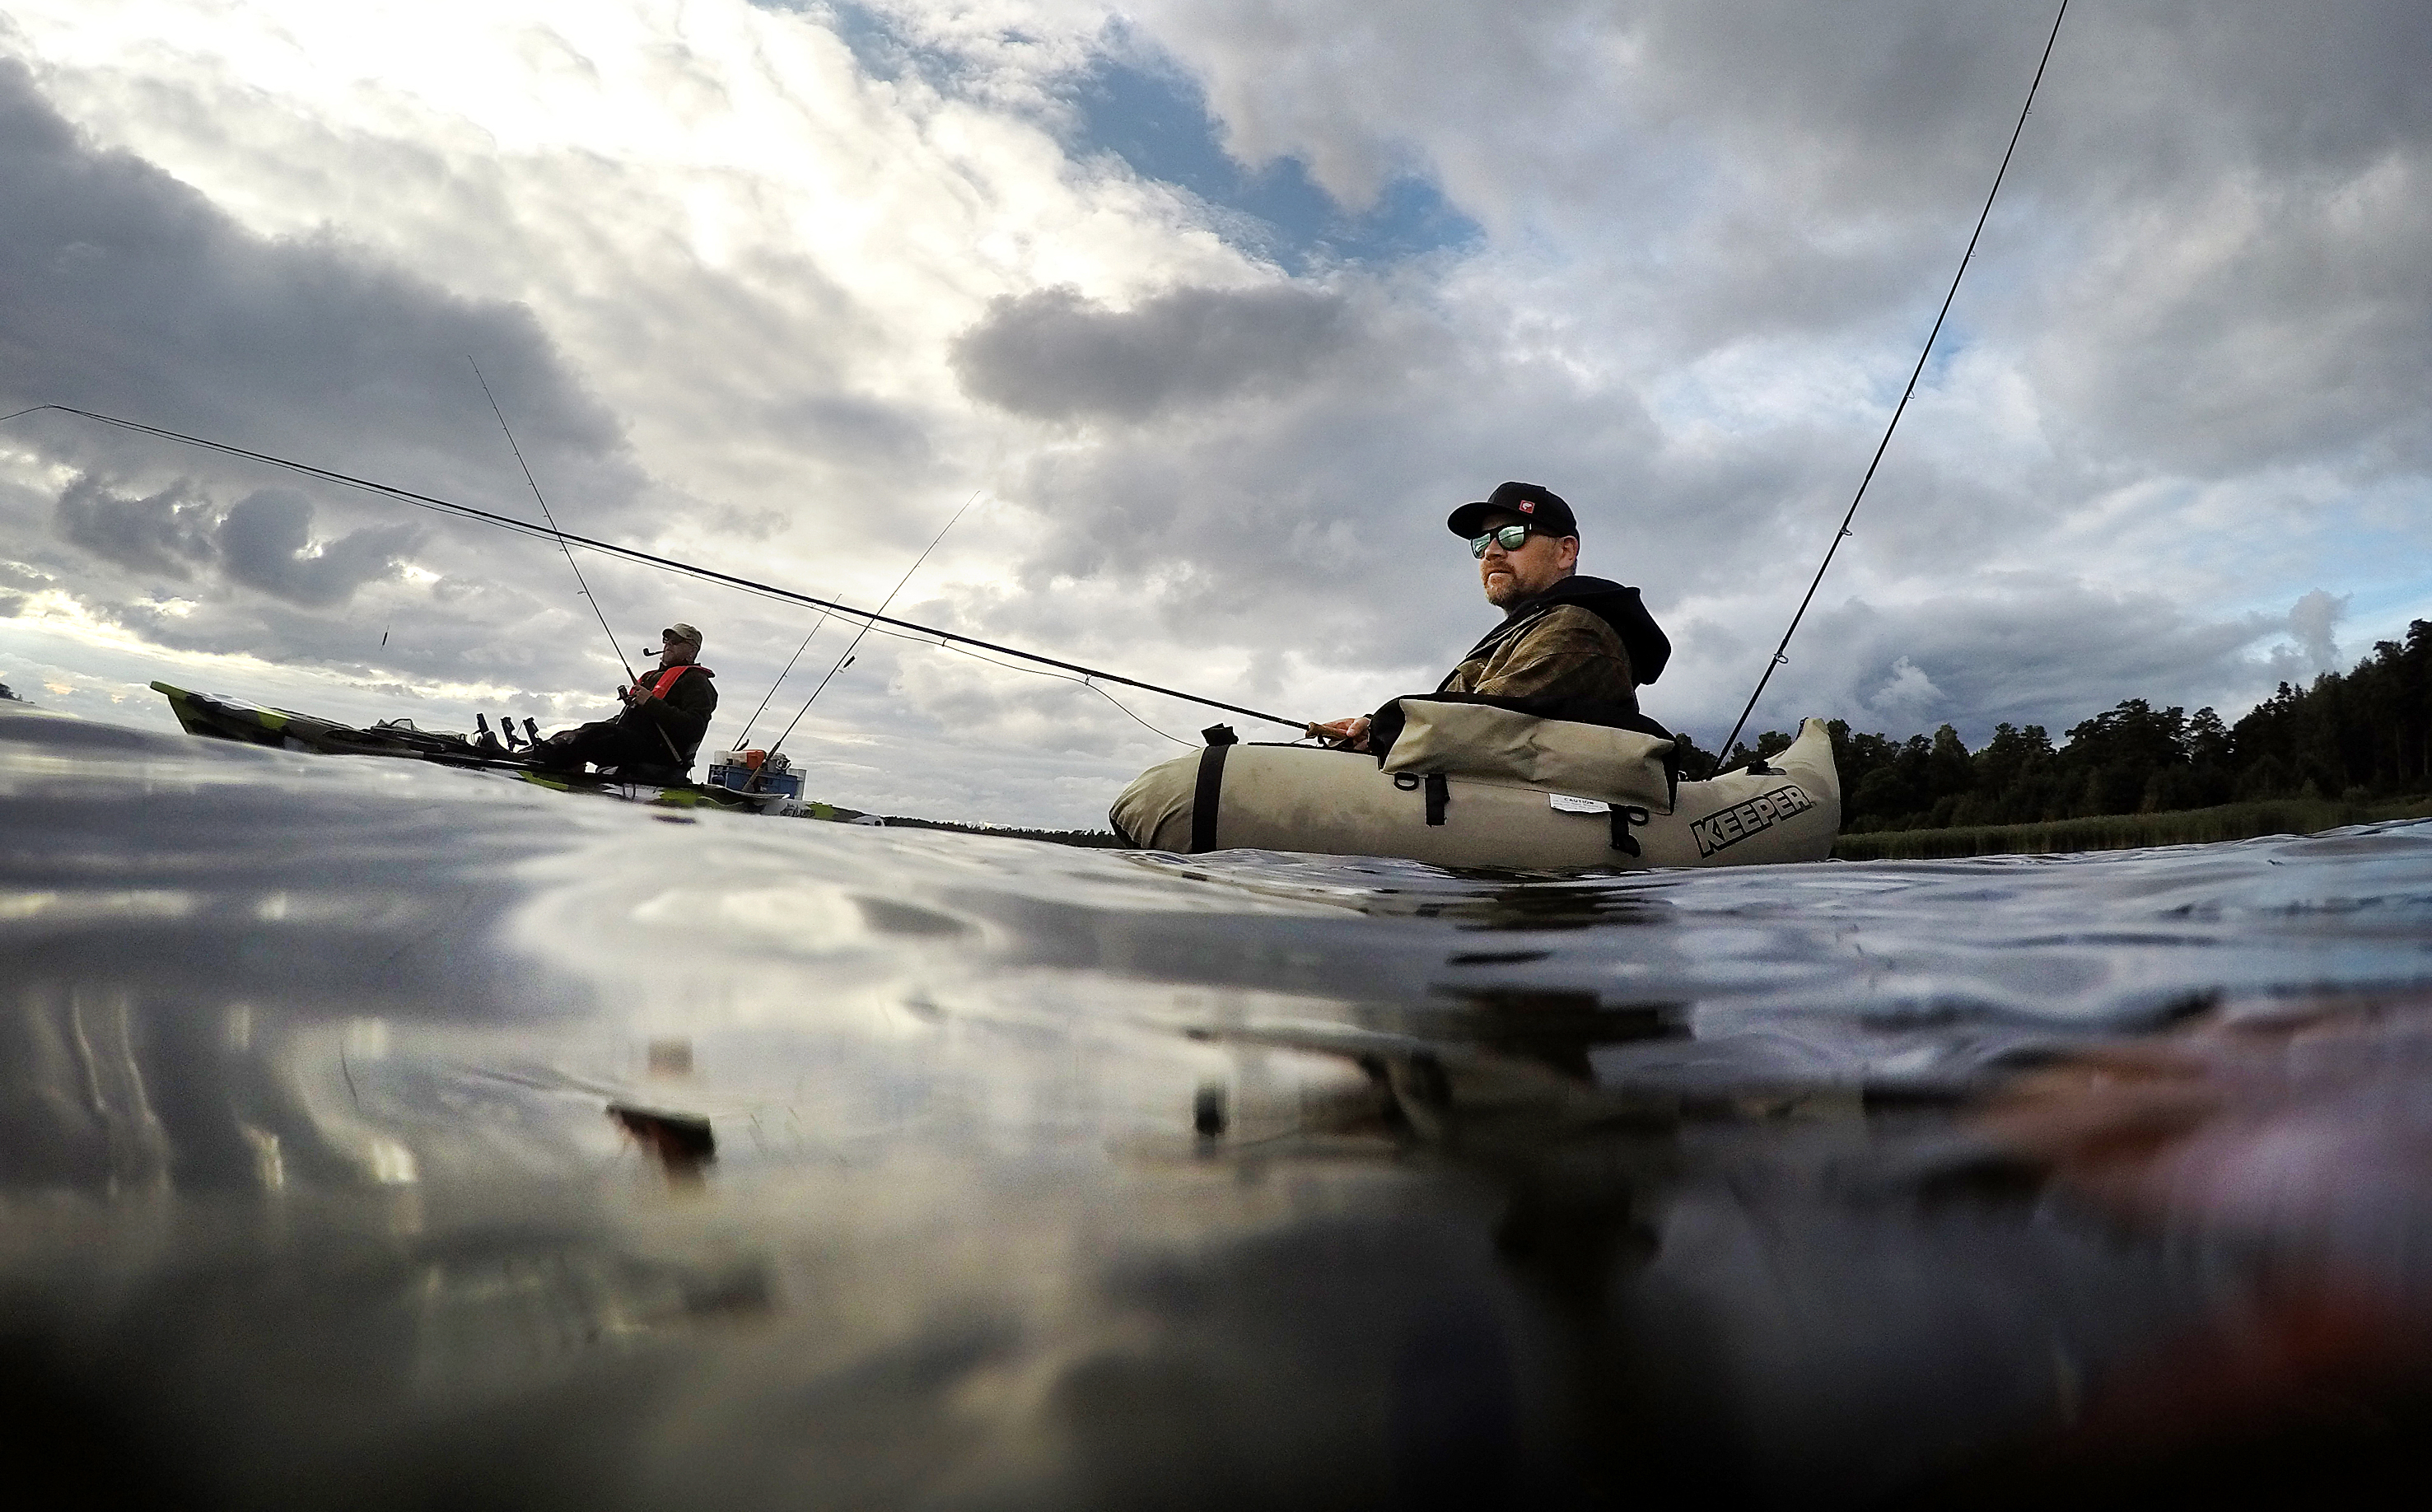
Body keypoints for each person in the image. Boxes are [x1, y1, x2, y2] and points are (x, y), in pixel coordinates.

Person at [1307, 481, 1669, 751]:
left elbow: (1478, 719)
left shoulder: (1577, 628)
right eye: (1481, 543)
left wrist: (1383, 731)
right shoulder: (1520, 633)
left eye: (1512, 536)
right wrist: (1369, 732)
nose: (1492, 552)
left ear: (1566, 551)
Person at [534, 622, 719, 780]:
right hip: (636, 743)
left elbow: (694, 728)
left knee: (598, 734)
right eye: (666, 640)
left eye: (677, 641)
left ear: (693, 650)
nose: (668, 645)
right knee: (583, 731)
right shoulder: (655, 677)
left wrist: (650, 702)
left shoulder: (696, 682)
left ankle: (537, 763)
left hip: (661, 755)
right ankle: (531, 755)